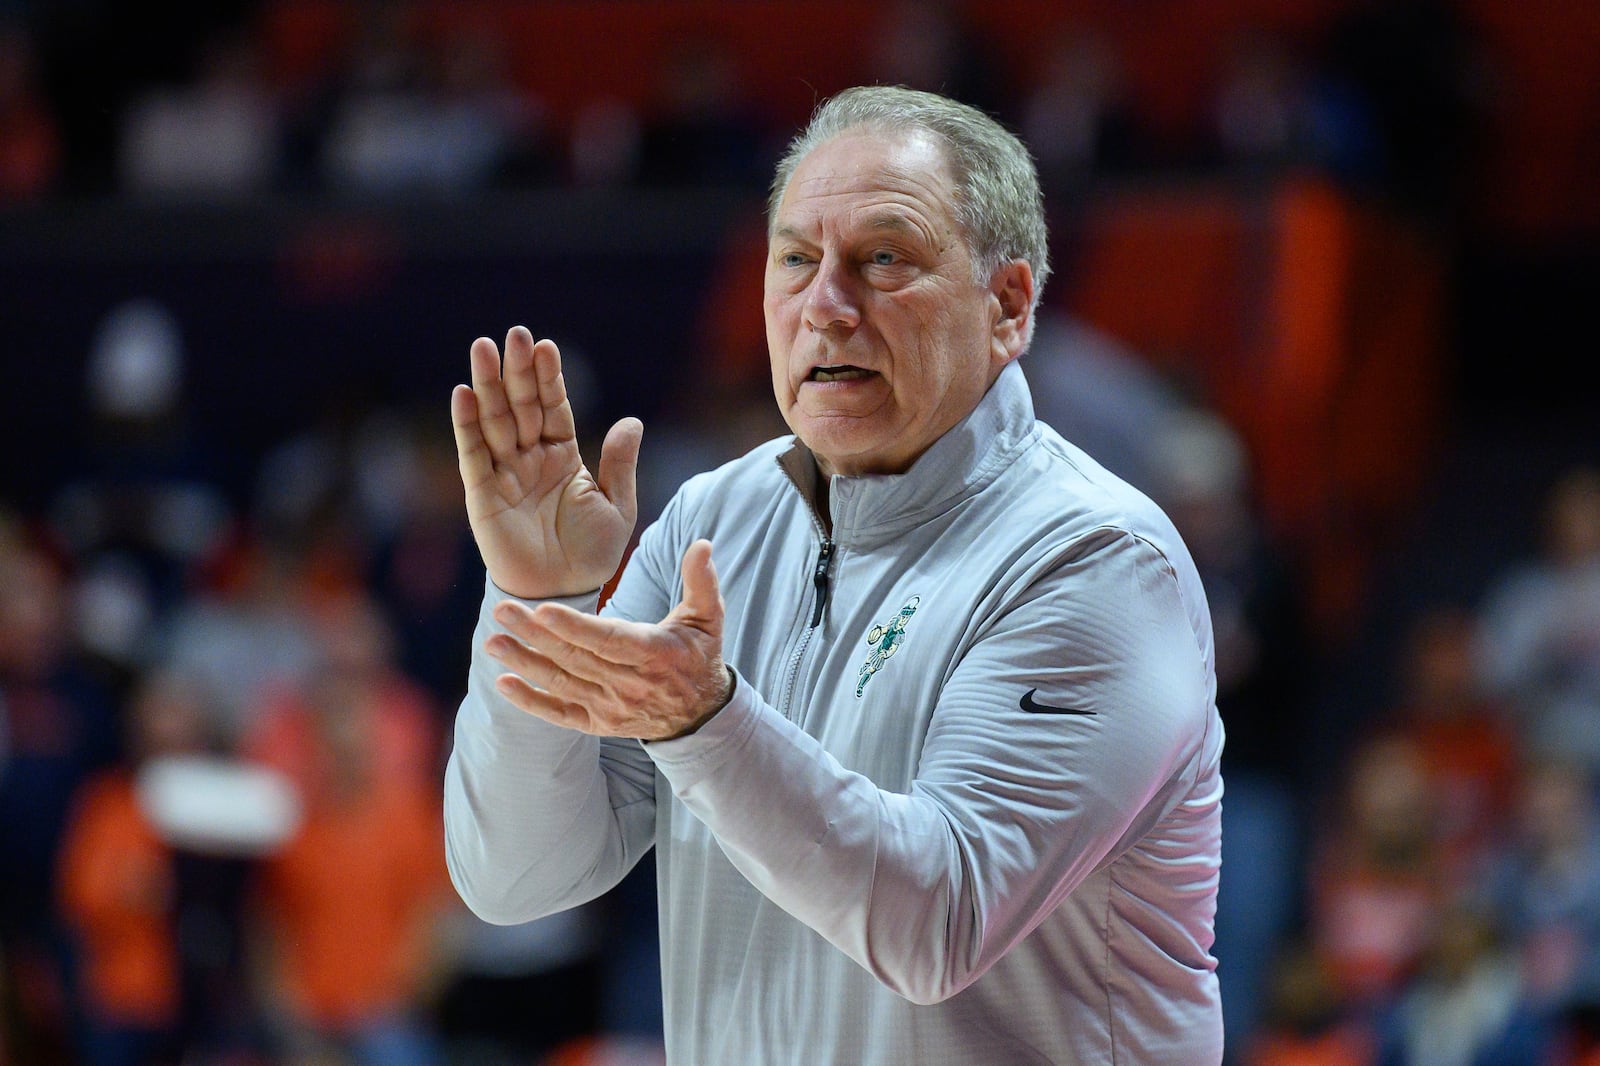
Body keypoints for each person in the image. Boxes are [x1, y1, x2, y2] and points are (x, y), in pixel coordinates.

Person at [444, 85, 1225, 1064]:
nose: (824, 307)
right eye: (796, 261)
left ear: (1008, 304)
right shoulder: (712, 523)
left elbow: (938, 920)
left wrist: (707, 724)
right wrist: (534, 601)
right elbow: (513, 877)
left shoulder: (1097, 562)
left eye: (882, 259)